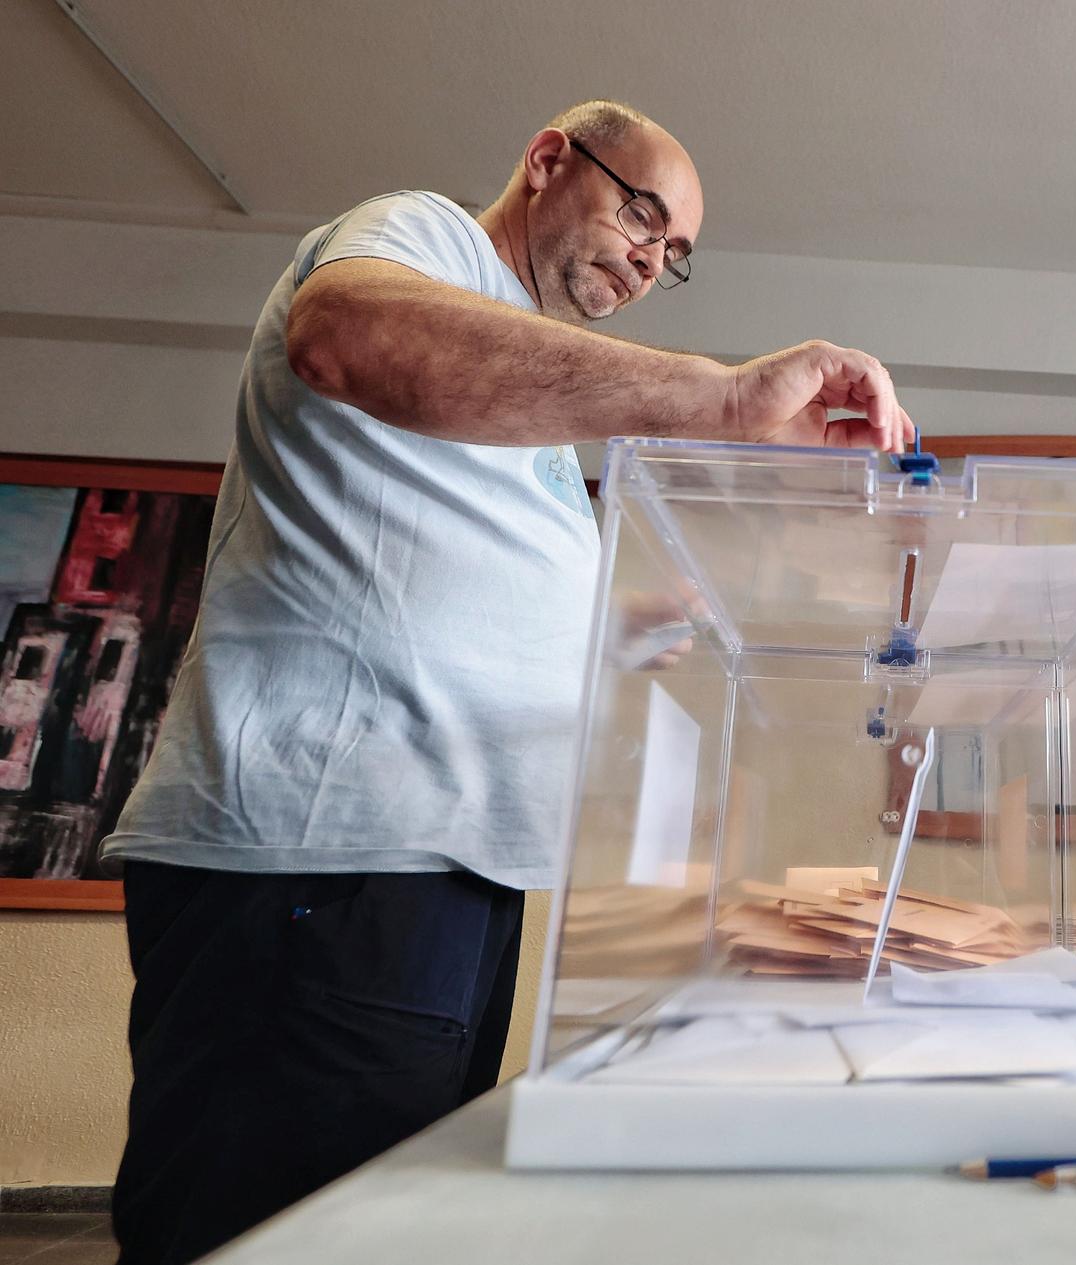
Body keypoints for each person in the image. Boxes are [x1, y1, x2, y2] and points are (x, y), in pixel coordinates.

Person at [101, 100, 917, 1265]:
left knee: (386, 1229)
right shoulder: (423, 239)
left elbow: (455, 595)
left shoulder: (536, 418)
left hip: (448, 874)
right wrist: (719, 397)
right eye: (643, 212)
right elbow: (341, 334)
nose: (651, 256)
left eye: (675, 253)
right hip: (326, 856)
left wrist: (632, 625)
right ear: (547, 162)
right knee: (269, 1230)